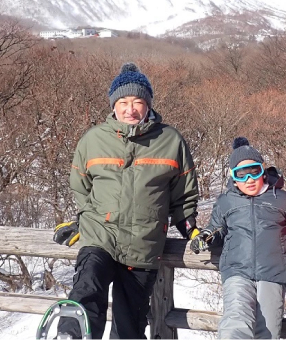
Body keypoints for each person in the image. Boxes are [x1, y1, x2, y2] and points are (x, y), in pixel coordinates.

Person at [54, 62, 200, 339]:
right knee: (87, 286)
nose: (129, 109)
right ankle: (71, 335)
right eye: (123, 101)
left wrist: (190, 228)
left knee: (129, 325)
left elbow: (183, 194)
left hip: (144, 242)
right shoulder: (93, 140)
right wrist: (85, 219)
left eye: (137, 101)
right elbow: (81, 186)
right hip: (101, 234)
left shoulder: (171, 140)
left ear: (148, 105)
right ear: (113, 105)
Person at [191, 137, 286, 339]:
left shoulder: (283, 199)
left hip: (273, 272)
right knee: (236, 320)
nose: (248, 179)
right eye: (241, 175)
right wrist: (206, 237)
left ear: (263, 172)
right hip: (237, 270)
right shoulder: (226, 201)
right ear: (233, 178)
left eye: (254, 171)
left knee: (267, 331)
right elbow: (216, 229)